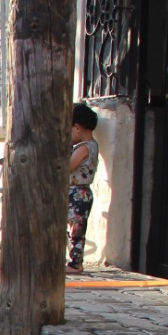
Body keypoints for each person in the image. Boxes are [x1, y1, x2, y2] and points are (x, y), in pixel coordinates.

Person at [67, 102, 100, 273]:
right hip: (75, 191)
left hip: (78, 192)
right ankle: (73, 260)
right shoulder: (89, 146)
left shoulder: (85, 148)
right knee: (73, 226)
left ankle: (76, 263)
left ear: (78, 128)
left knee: (77, 229)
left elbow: (69, 166)